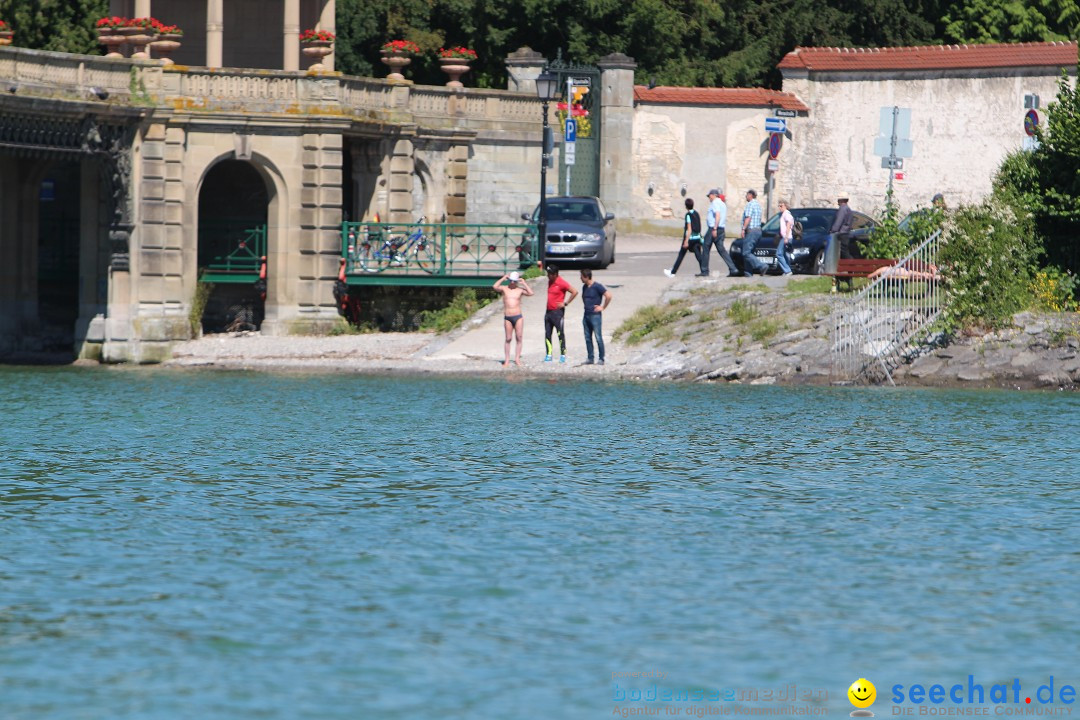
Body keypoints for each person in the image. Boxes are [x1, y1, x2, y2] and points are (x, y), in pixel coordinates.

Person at [493, 271, 534, 367]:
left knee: (519, 337)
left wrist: (524, 283)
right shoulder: (504, 288)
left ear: (517, 281)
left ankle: (517, 359)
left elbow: (531, 293)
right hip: (508, 317)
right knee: (508, 338)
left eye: (514, 281)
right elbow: (495, 286)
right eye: (511, 280)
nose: (512, 282)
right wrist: (503, 278)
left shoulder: (520, 290)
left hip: (518, 316)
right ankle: (507, 360)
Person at [701, 188, 739, 277]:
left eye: (709, 196)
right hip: (721, 228)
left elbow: (717, 215)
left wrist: (714, 228)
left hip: (714, 229)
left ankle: (704, 270)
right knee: (721, 250)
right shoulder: (722, 204)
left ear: (713, 195)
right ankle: (733, 268)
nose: (709, 198)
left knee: (705, 247)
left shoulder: (715, 203)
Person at [543, 265, 577, 363]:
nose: (548, 276)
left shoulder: (561, 283)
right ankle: (548, 354)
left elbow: (574, 292)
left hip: (557, 313)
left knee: (560, 333)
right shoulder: (550, 281)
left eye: (549, 274)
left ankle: (562, 354)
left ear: (555, 274)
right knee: (548, 333)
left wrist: (565, 303)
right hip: (548, 311)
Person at [663, 198, 703, 277]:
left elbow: (689, 228)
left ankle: (672, 272)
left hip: (690, 238)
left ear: (686, 206)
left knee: (681, 255)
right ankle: (704, 270)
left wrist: (686, 240)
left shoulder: (688, 215)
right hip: (697, 238)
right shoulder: (696, 213)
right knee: (698, 255)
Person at [580, 269, 612, 365]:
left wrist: (602, 307)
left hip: (595, 316)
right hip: (586, 314)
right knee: (587, 337)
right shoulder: (584, 287)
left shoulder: (597, 286)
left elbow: (608, 296)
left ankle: (601, 358)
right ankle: (590, 357)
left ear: (586, 277)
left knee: (598, 337)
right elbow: (583, 297)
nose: (580, 278)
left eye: (581, 276)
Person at [740, 189, 767, 276]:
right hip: (758, 230)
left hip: (751, 230)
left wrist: (743, 229)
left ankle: (761, 266)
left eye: (747, 194)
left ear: (751, 195)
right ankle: (748, 273)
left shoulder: (750, 204)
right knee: (750, 252)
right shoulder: (758, 205)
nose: (746, 196)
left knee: (746, 252)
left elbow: (748, 218)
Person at [830, 192, 854, 259]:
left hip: (842, 234)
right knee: (845, 251)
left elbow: (838, 222)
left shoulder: (842, 209)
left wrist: (833, 231)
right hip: (847, 233)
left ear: (841, 200)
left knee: (844, 252)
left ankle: (852, 265)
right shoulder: (848, 209)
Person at [776, 199, 795, 276]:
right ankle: (788, 270)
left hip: (786, 237)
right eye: (779, 206)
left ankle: (787, 270)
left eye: (781, 206)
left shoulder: (786, 214)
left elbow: (788, 225)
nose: (780, 207)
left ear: (786, 206)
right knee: (785, 254)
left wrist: (786, 237)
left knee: (779, 253)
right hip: (786, 237)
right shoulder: (785, 214)